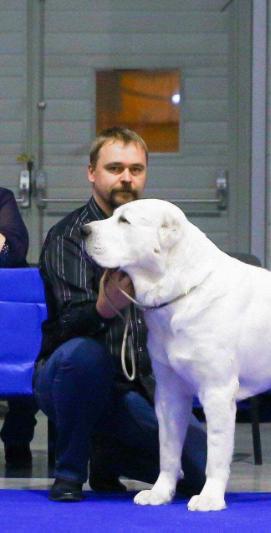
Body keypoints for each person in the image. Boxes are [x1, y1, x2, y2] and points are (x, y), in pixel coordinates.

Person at [33, 127, 207, 502]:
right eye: (115, 168)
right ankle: (69, 475)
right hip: (70, 378)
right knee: (84, 356)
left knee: (200, 473)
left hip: (139, 386)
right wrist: (103, 307)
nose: (127, 177)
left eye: (136, 169)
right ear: (92, 172)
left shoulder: (163, 239)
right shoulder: (69, 236)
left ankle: (109, 452)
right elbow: (64, 329)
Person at [0, 187, 39, 471]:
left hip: (12, 316)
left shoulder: (2, 197)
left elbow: (12, 251)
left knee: (33, 355)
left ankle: (17, 436)